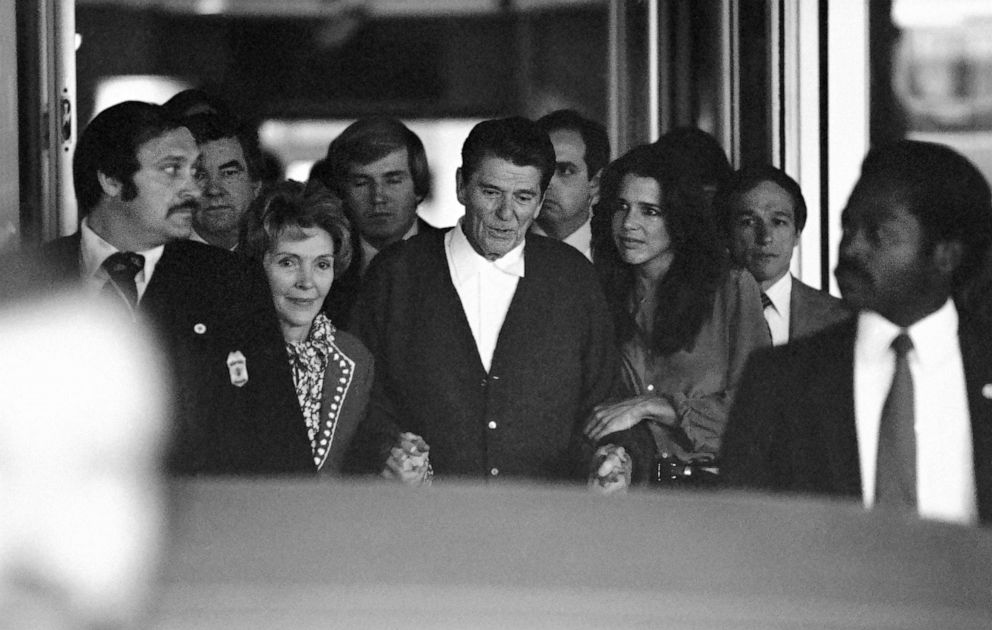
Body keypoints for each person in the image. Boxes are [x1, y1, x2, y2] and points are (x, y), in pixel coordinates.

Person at [720, 140, 992, 526]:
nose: (851, 248)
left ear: (946, 253)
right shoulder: (779, 380)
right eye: (849, 226)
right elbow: (743, 542)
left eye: (880, 234)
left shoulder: (983, 366)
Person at [36, 101, 311, 475]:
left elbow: (281, 443)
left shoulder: (228, 281)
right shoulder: (29, 285)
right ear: (112, 181)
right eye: (171, 170)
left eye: (192, 172)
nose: (194, 190)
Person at [350, 116, 619, 482]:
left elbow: (603, 399)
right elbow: (357, 398)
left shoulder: (573, 277)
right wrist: (387, 450)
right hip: (425, 521)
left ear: (540, 202)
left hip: (545, 523)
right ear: (461, 187)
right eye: (491, 192)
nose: (506, 214)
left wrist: (612, 457)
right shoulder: (396, 273)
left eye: (523, 197)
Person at [584, 144, 769, 489]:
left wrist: (651, 406)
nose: (629, 224)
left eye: (650, 211)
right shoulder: (596, 291)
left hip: (710, 494)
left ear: (679, 218)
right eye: (621, 207)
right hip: (625, 492)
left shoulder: (730, 287)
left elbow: (757, 414)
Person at [240, 181, 374, 474]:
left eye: (322, 265)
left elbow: (362, 464)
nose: (307, 281)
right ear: (256, 267)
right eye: (288, 262)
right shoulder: (226, 354)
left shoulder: (353, 358)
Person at [320, 116, 442, 329]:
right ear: (342, 193)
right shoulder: (320, 266)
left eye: (393, 180)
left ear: (418, 187)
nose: (378, 196)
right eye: (361, 183)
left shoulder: (452, 255)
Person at [722, 165, 849, 345]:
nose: (765, 237)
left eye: (779, 222)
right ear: (726, 233)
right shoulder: (701, 313)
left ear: (797, 233)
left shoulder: (839, 318)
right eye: (748, 222)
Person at [531, 109, 610, 261]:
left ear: (595, 184)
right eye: (539, 168)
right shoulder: (498, 255)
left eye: (565, 171)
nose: (546, 183)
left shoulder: (618, 259)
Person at [182, 111, 263, 250]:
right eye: (198, 176)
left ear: (255, 186)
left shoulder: (275, 257)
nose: (213, 190)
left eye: (229, 173)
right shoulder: (153, 263)